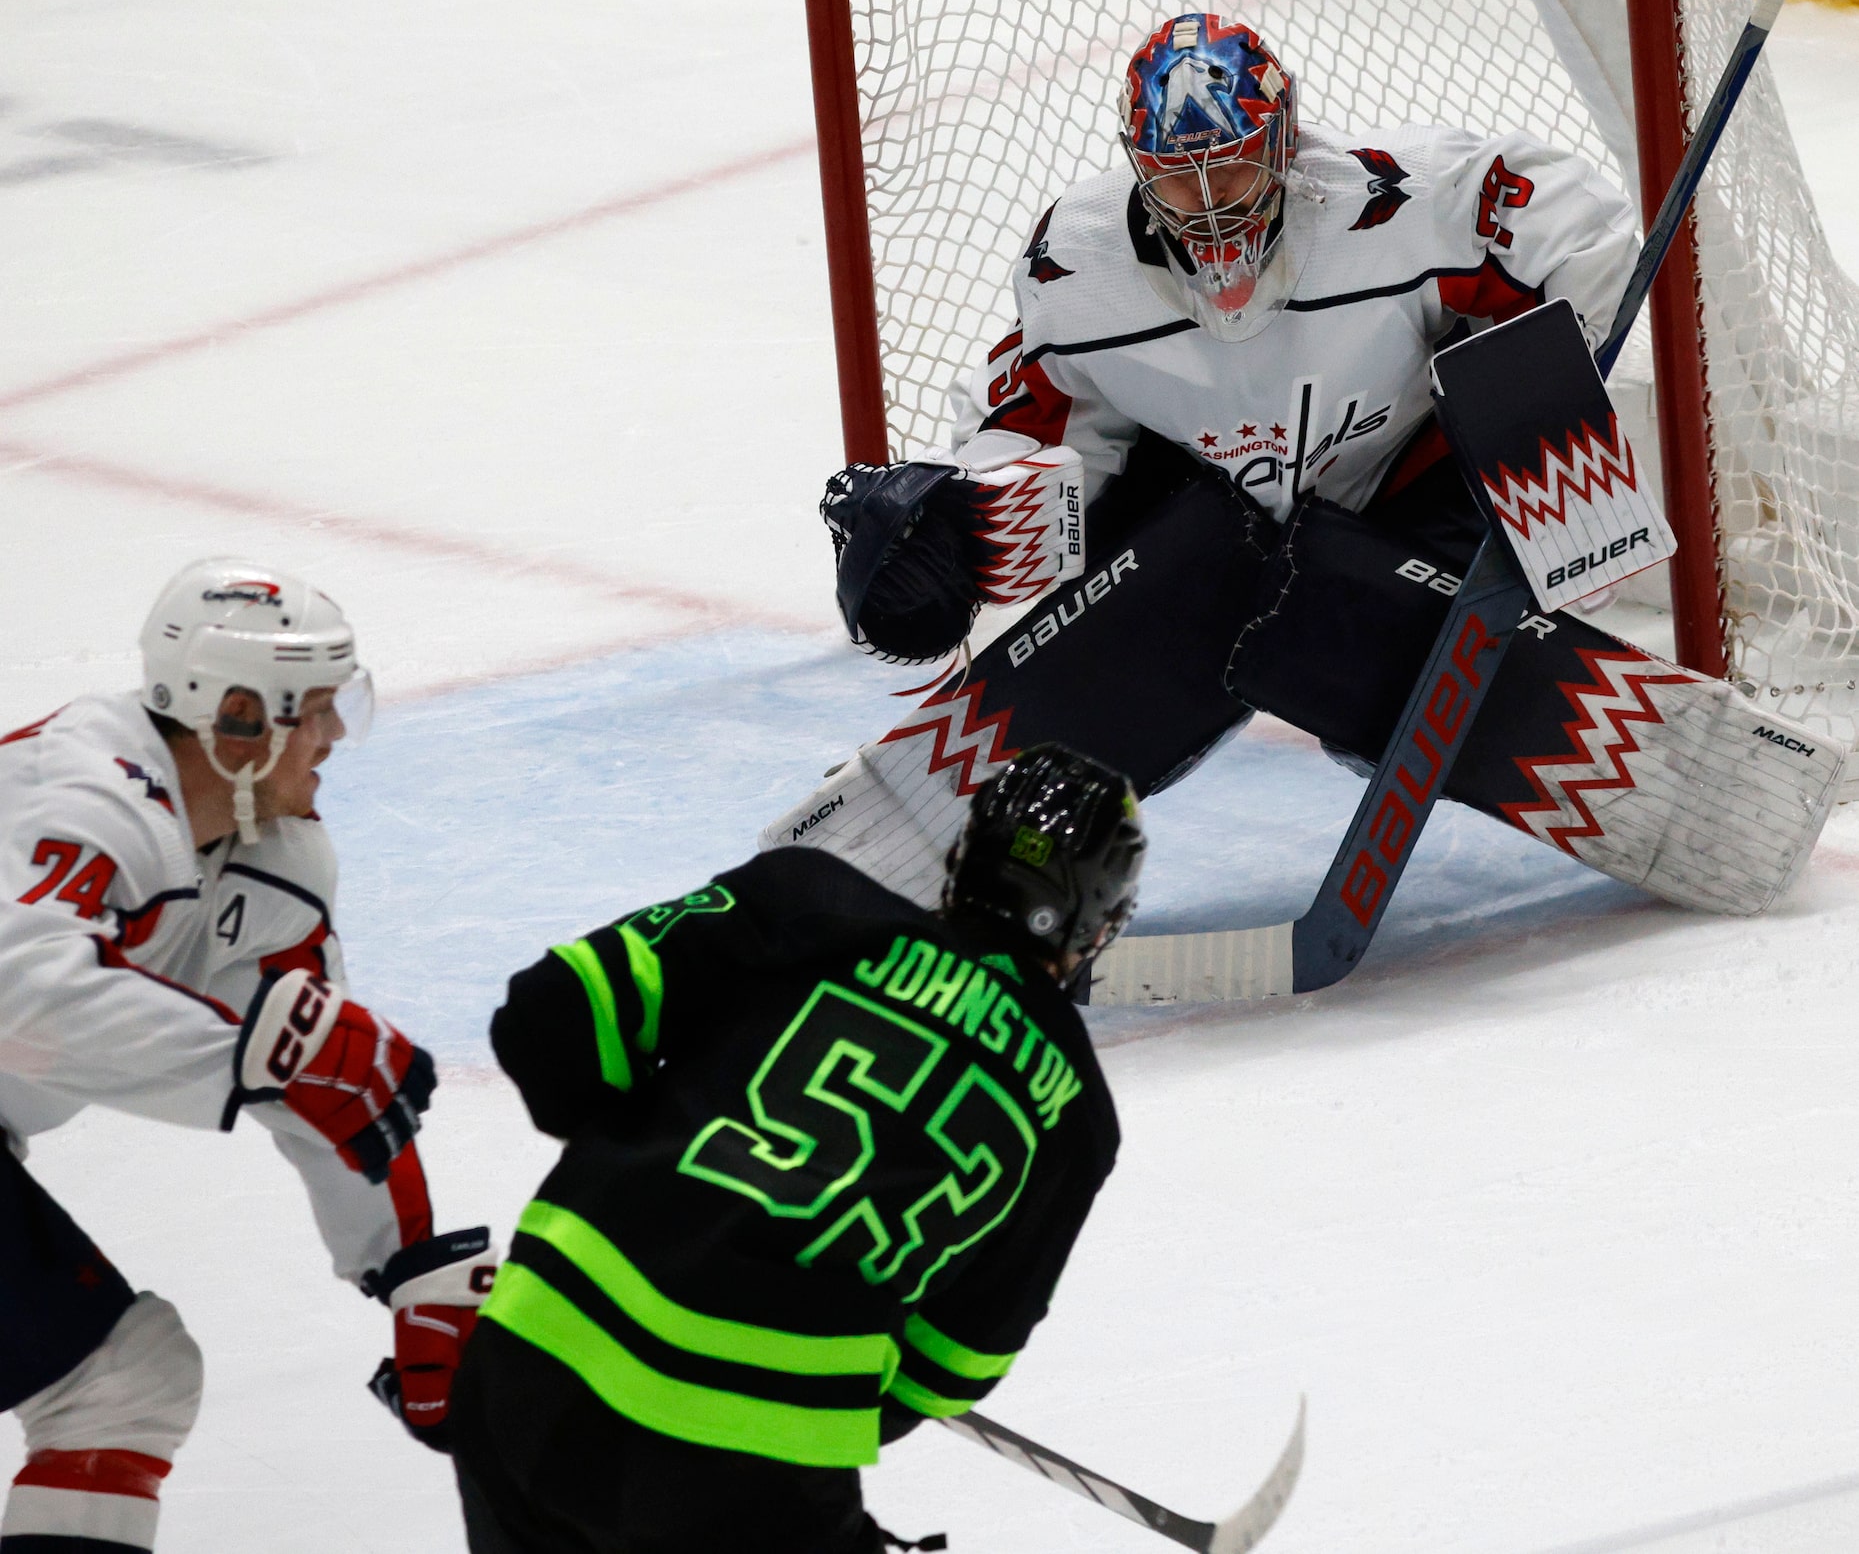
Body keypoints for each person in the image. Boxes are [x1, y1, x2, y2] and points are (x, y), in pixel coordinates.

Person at [771, 12, 1838, 920]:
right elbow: (1040, 423)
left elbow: (1561, 210)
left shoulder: (1396, 203)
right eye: (1178, 183)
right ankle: (950, 818)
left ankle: (1412, 664)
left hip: (1407, 500)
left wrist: (1561, 384)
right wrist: (965, 516)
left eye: (1232, 166)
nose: (1211, 205)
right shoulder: (1076, 263)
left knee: (1344, 588)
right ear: (1137, 168)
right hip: (1205, 516)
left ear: (1284, 141)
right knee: (1228, 566)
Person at [452, 743, 1140, 1554]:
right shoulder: (1075, 1115)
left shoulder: (807, 897)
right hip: (752, 1468)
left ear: (962, 854)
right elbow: (949, 1366)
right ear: (1098, 923)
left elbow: (550, 1014)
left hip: (530, 1361)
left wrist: (638, 1169)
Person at [0, 558, 495, 1554]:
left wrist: (407, 1269)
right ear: (234, 717)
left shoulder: (274, 853)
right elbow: (18, 993)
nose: (337, 735)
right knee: (119, 1383)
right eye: (312, 710)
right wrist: (248, 1057)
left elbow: (329, 1082)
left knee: (125, 1383)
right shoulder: (84, 790)